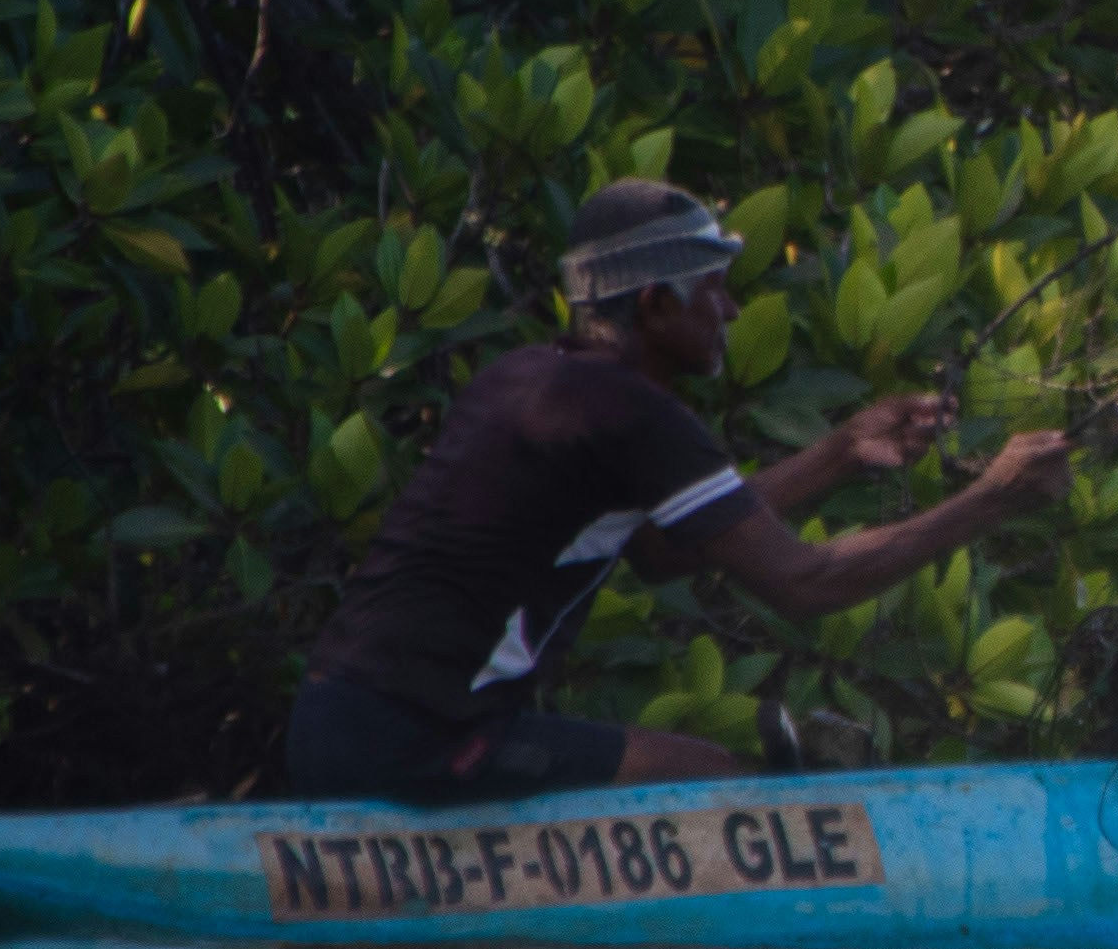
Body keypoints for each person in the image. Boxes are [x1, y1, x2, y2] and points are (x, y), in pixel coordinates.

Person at [285, 178, 1075, 800]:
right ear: (655, 305)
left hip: (329, 717)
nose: (731, 308)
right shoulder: (634, 414)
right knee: (720, 780)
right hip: (417, 734)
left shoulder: (527, 377)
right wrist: (992, 497)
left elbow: (662, 554)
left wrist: (838, 452)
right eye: (713, 289)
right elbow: (804, 584)